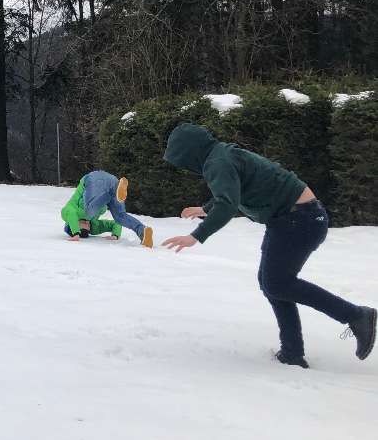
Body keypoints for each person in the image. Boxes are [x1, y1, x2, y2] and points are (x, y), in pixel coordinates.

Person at [160, 122, 376, 367]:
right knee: (272, 283)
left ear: (191, 152)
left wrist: (196, 236)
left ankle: (356, 315)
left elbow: (228, 204)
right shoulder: (222, 154)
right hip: (297, 219)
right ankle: (292, 352)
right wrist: (205, 209)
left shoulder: (217, 162)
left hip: (298, 220)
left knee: (277, 283)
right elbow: (233, 192)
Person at [61, 170, 154, 248]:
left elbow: (71, 214)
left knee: (88, 211)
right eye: (88, 229)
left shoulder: (68, 211)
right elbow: (113, 224)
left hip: (94, 179)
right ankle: (143, 232)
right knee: (120, 217)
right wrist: (115, 234)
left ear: (73, 225)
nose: (87, 226)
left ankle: (113, 190)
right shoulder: (94, 226)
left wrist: (76, 233)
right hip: (113, 183)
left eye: (83, 228)